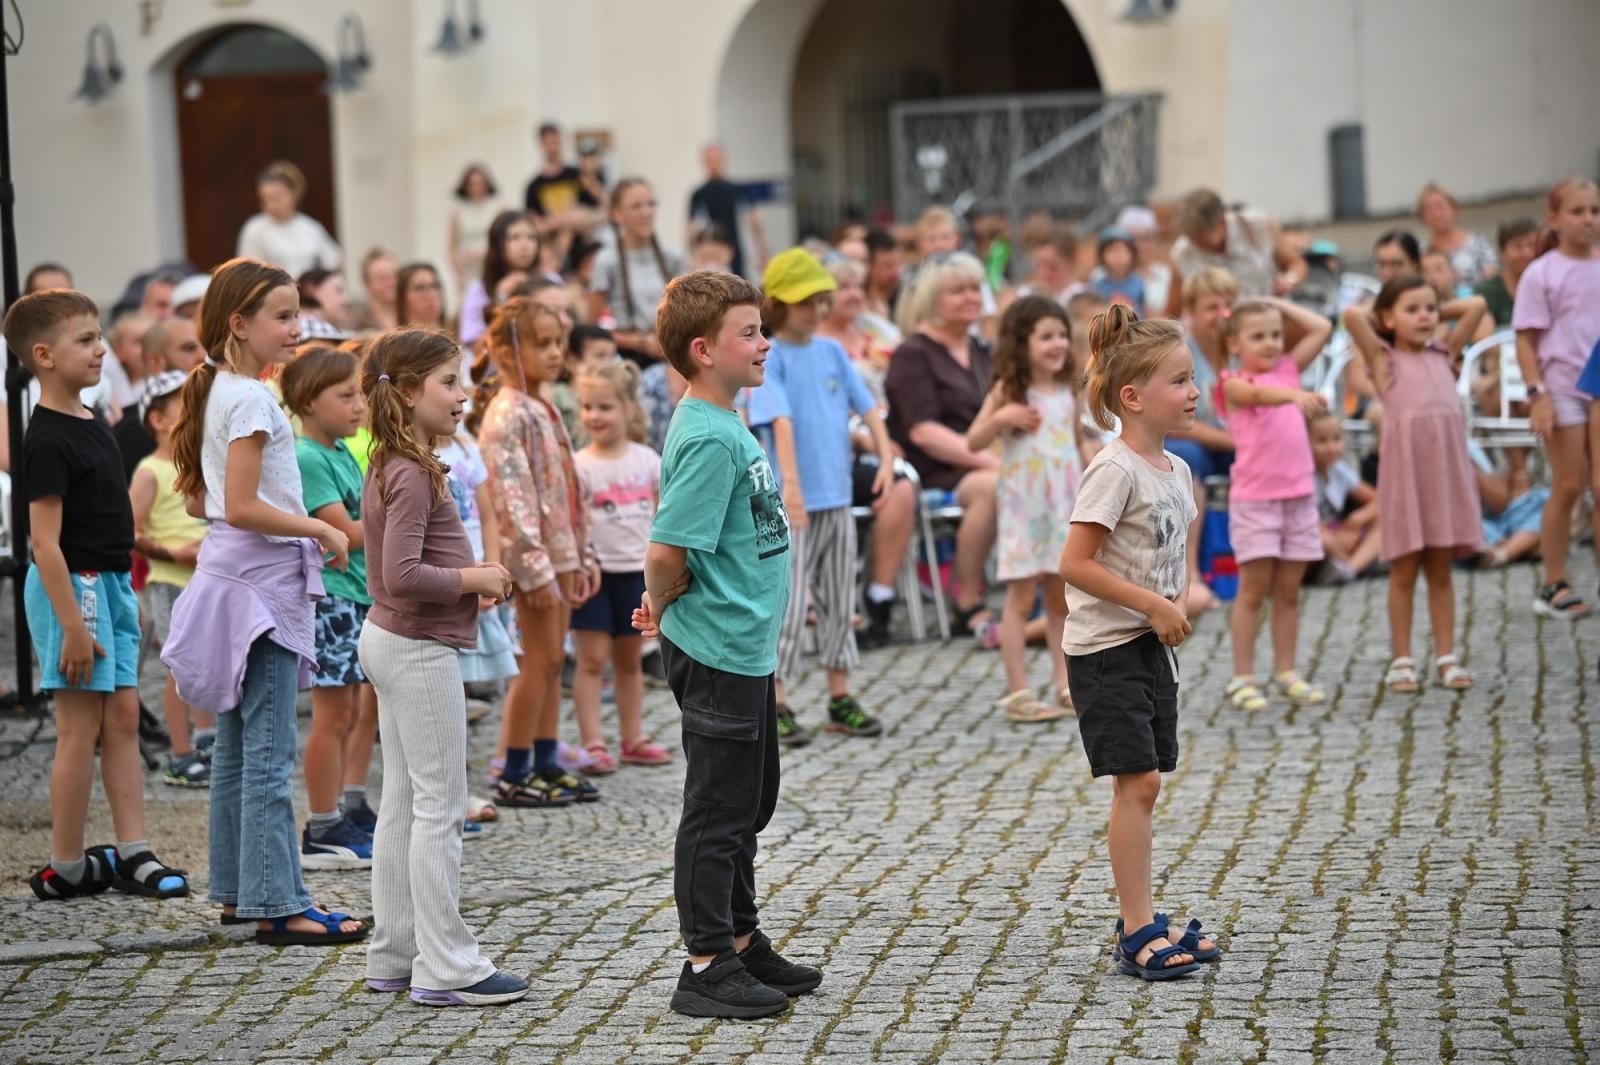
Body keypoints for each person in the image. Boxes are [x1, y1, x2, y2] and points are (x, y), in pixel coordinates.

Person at [631, 270, 820, 1019]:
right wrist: (660, 602)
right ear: (705, 349)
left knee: (751, 798)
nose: (765, 342)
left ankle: (741, 937)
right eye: (751, 332)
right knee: (717, 808)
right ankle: (705, 960)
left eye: (764, 329)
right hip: (714, 650)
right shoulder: (709, 436)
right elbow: (667, 548)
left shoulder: (725, 419)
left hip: (745, 647)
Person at [162, 257, 364, 946]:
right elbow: (245, 504)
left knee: (238, 746)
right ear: (238, 323)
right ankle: (280, 902)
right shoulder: (248, 397)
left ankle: (238, 890)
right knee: (268, 747)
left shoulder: (221, 387)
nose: (296, 326)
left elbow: (203, 499)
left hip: (230, 577)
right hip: (261, 590)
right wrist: (320, 525)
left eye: (296, 311)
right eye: (281, 315)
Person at [355, 327, 529, 1007]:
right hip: (415, 644)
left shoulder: (400, 459)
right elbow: (401, 575)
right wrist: (475, 575)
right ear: (406, 391)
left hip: (396, 640)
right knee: (439, 806)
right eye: (449, 383)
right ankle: (448, 964)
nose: (464, 394)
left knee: (402, 802)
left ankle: (396, 950)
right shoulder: (408, 469)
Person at [7, 289, 189, 902]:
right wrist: (73, 625)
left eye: (98, 336)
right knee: (78, 729)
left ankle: (133, 852)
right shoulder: (47, 438)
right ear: (43, 355)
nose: (101, 348)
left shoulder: (94, 423)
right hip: (73, 590)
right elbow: (45, 544)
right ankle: (66, 862)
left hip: (108, 585)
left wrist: (119, 595)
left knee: (124, 720)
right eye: (84, 340)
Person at [1058, 305, 1219, 980]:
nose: (1194, 392)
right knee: (1139, 782)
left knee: (1147, 783)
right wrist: (1155, 603)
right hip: (1105, 649)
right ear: (1132, 396)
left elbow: (1172, 549)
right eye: (1180, 381)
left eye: (1191, 379)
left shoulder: (1177, 471)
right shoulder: (1114, 468)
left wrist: (1180, 595)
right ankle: (1136, 930)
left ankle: (1142, 916)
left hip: (1150, 645)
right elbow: (1075, 561)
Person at [748, 249, 892, 745]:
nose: (816, 310)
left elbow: (867, 406)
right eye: (805, 302)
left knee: (838, 595)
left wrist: (887, 456)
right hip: (791, 503)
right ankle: (777, 698)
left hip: (833, 494)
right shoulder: (771, 356)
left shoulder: (831, 351)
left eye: (820, 300)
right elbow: (779, 420)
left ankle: (839, 693)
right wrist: (789, 485)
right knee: (785, 601)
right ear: (780, 304)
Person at [477, 296, 600, 807]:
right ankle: (514, 766)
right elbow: (513, 502)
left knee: (553, 663)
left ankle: (547, 759)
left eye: (559, 343)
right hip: (539, 562)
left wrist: (581, 554)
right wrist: (536, 568)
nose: (555, 353)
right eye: (542, 344)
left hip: (562, 553)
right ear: (507, 352)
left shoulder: (543, 404)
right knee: (537, 662)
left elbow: (566, 487)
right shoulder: (507, 415)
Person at [1344, 277, 1487, 691]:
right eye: (1413, 309)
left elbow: (1475, 303)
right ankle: (1403, 659)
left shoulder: (1445, 352)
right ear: (1388, 317)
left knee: (1441, 571)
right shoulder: (1383, 358)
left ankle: (1446, 656)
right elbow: (1353, 316)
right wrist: (1389, 318)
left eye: (1430, 309)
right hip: (1405, 481)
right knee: (1404, 572)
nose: (1425, 316)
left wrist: (1430, 310)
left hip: (1442, 478)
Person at [965, 296, 1086, 722]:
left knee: (1060, 599)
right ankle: (1019, 691)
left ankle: (1065, 682)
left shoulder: (1069, 391)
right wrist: (1003, 419)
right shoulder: (1008, 393)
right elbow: (974, 441)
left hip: (1062, 508)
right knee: (1019, 599)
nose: (1057, 345)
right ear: (1022, 344)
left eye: (1062, 336)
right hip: (1024, 509)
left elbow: (1077, 442)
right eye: (1046, 337)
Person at [279, 348, 378, 870]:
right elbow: (344, 532)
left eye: (359, 394)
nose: (358, 406)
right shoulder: (309, 455)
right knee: (333, 714)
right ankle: (322, 823)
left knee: (359, 710)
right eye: (345, 396)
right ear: (307, 400)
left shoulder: (340, 450)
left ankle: (350, 804)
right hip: (333, 597)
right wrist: (398, 512)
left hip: (358, 593)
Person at [1214, 299, 1334, 710]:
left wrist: (1275, 302)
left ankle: (1287, 671)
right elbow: (1257, 394)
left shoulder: (1288, 369)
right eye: (1258, 336)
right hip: (1256, 502)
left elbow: (1320, 326)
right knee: (1252, 590)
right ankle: (1243, 677)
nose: (1269, 343)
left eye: (1275, 335)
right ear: (1234, 343)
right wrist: (1293, 396)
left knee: (1289, 591)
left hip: (1298, 499)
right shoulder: (1231, 381)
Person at [884, 253, 999, 642]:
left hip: (985, 457)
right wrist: (990, 460)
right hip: (934, 468)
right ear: (933, 299)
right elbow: (923, 432)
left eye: (974, 288)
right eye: (958, 291)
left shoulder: (982, 351)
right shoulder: (912, 354)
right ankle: (966, 599)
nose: (971, 297)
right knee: (991, 485)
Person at [570, 361, 672, 773]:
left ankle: (633, 736)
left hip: (637, 574)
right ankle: (592, 741)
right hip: (595, 576)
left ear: (628, 409)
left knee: (629, 661)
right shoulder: (579, 465)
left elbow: (666, 513)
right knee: (591, 661)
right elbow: (574, 522)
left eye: (605, 407)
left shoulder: (648, 460)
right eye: (587, 407)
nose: (595, 416)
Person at [1516, 178, 1600, 618]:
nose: (1589, 220)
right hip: (1564, 387)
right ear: (1555, 219)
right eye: (1578, 211)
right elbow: (1526, 342)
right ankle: (1553, 582)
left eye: (1595, 210)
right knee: (1569, 486)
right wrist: (1537, 395)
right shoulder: (1542, 273)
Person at [129, 370, 214, 787]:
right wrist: (173, 552)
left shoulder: (201, 462)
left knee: (211, 660)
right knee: (182, 667)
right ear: (158, 420)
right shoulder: (149, 471)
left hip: (208, 578)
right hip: (170, 580)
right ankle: (180, 754)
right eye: (183, 405)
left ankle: (207, 735)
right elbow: (131, 531)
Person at [589, 178, 685, 365]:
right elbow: (591, 328)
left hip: (671, 355)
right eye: (636, 206)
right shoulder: (607, 260)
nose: (646, 212)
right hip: (626, 360)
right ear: (616, 214)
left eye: (651, 204)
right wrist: (639, 343)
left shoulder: (672, 257)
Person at [1165, 188, 1302, 315]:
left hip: (1269, 315)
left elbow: (1296, 263)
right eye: (1190, 236)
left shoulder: (1258, 226)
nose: (1194, 243)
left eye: (1201, 237)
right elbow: (1173, 308)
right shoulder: (1183, 252)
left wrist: (1290, 279)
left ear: (1221, 222)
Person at [1309, 411, 1381, 583]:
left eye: (1336, 439)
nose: (1331, 447)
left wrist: (1358, 518)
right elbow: (1304, 519)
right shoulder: (1304, 473)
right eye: (1322, 441)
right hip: (1315, 534)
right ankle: (1351, 562)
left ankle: (1348, 569)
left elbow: (1378, 499)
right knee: (1320, 538)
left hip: (1337, 531)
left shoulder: (1339, 470)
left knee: (1383, 522)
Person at [236, 162, 342, 278]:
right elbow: (246, 271)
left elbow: (333, 261)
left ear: (293, 194)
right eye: (265, 199)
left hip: (306, 292)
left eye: (277, 198)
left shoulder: (310, 227)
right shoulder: (255, 228)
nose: (271, 205)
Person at [461, 211, 540, 348]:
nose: (525, 245)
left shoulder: (551, 281)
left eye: (531, 237)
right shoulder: (479, 290)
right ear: (498, 244)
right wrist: (501, 299)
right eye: (514, 238)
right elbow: (476, 348)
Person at [689, 144, 768, 279]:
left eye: (717, 160)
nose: (714, 165)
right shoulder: (699, 194)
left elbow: (755, 223)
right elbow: (692, 229)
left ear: (723, 160)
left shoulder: (737, 190)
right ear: (704, 163)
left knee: (739, 285)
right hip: (713, 252)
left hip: (736, 249)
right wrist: (694, 256)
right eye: (710, 161)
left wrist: (763, 253)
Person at [1417, 182, 1500, 286]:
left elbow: (1492, 278)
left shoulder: (1479, 244)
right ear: (1422, 217)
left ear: (1453, 208)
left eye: (1440, 207)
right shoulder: (1420, 251)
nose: (1436, 214)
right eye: (1428, 209)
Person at [449, 164, 506, 301]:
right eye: (472, 184)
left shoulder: (498, 207)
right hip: (469, 271)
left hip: (491, 266)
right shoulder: (458, 211)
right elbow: (452, 246)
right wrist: (458, 274)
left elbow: (504, 239)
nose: (476, 187)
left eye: (480, 183)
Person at [524, 122, 598, 227]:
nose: (553, 148)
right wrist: (558, 221)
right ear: (541, 145)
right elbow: (534, 223)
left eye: (556, 142)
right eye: (549, 143)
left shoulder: (578, 175)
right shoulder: (533, 186)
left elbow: (596, 209)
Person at [1474, 218, 1540, 327]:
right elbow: (1483, 337)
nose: (1526, 253)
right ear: (1502, 252)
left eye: (1531, 245)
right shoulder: (1487, 291)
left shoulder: (1551, 286)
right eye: (1518, 247)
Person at [1089, 227, 1146, 314]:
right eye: (1111, 250)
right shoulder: (1097, 285)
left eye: (1121, 250)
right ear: (1102, 255)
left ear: (1132, 254)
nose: (1117, 256)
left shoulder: (1139, 283)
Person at [296, 269, 353, 340]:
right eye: (339, 290)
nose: (347, 300)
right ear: (312, 289)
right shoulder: (321, 331)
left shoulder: (296, 327)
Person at [352, 250, 399, 332]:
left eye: (395, 275)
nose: (391, 282)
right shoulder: (359, 323)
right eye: (382, 278)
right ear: (367, 285)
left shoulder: (413, 315)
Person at [396, 263, 449, 332]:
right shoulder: (393, 341)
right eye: (420, 288)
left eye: (434, 286)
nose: (430, 294)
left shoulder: (460, 334)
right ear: (402, 297)